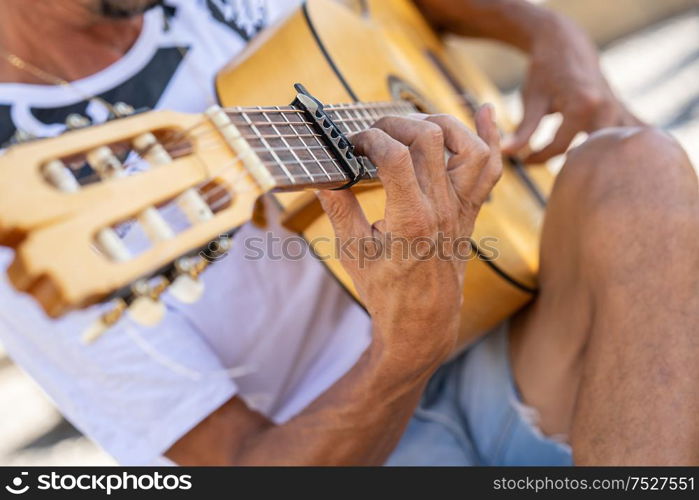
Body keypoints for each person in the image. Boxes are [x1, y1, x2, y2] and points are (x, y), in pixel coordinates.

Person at [0, 0, 696, 466]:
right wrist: (404, 351)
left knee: (637, 164)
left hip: (511, 337)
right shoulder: (34, 212)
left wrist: (549, 34)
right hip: (360, 447)